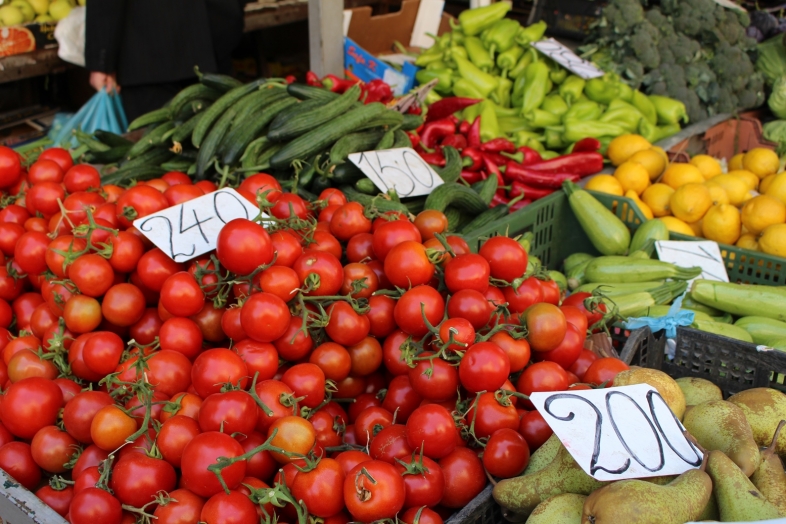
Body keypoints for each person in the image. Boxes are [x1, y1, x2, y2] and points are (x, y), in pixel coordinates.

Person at [85, 0, 248, 121]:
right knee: (218, 149)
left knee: (158, 155)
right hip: (211, 37)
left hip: (148, 52)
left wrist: (102, 59)